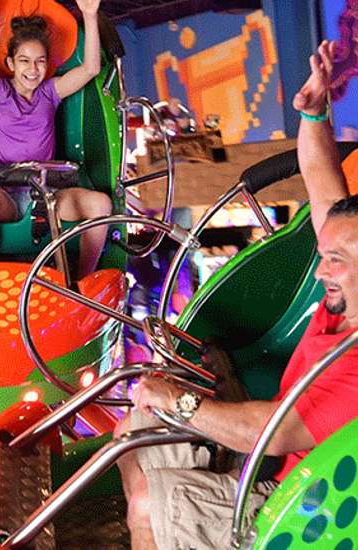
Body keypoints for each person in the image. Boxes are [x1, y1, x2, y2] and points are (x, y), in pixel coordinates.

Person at [115, 40, 358, 549]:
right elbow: (322, 183)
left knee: (150, 501)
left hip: (312, 510)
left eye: (334, 262)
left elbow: (272, 432)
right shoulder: (347, 273)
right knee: (135, 430)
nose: (321, 273)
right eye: (325, 255)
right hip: (284, 460)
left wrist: (179, 401)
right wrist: (315, 114)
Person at [0, 0, 112, 272]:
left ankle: (82, 279)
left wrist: (89, 15)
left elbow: (90, 69)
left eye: (40, 62)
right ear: (10, 63)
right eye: (25, 61)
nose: (33, 69)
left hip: (47, 193)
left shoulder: (50, 92)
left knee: (101, 203)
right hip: (6, 195)